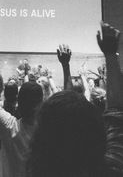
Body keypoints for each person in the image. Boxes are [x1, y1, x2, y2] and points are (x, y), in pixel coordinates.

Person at [27, 22, 123, 177]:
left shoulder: (39, 170)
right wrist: (111, 54)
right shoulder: (111, 169)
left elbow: (66, 114)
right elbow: (116, 112)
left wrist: (66, 67)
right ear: (95, 131)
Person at [0, 39, 43, 177]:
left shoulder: (9, 127)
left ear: (20, 101)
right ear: (40, 104)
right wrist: (66, 66)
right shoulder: (47, 131)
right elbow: (69, 108)